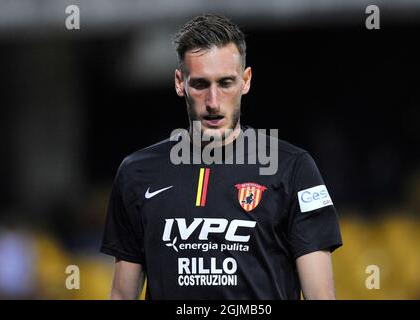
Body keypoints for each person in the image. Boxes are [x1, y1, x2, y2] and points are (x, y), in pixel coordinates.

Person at [100, 13, 342, 300]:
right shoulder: (136, 173)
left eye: (226, 83)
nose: (213, 103)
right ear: (180, 83)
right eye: (200, 84)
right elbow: (122, 295)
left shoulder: (293, 168)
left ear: (246, 81)